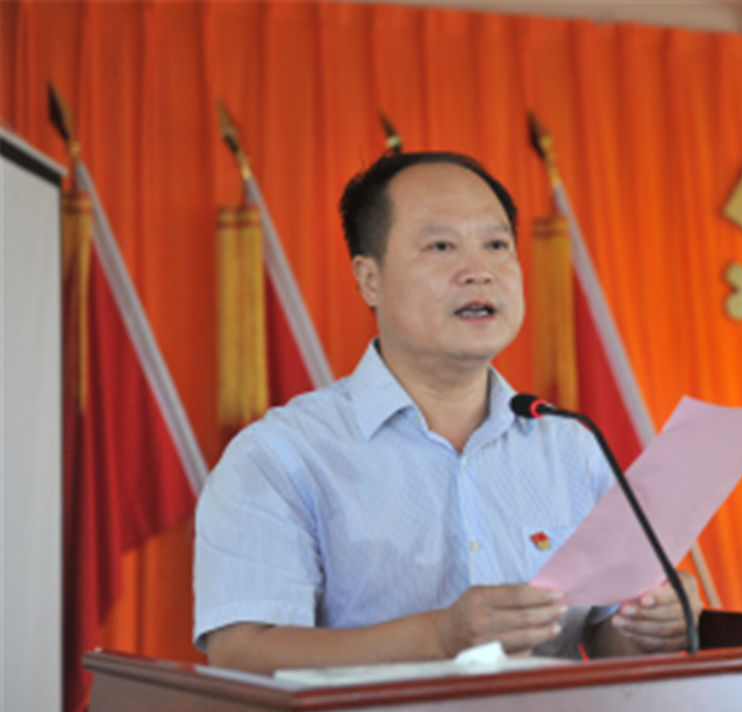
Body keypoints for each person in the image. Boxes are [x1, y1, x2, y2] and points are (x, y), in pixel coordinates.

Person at [193, 151, 702, 673]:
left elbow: (609, 645)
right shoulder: (279, 457)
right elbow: (242, 656)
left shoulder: (572, 445)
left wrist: (653, 623)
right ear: (369, 279)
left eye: (497, 245)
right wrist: (439, 636)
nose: (479, 272)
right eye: (441, 246)